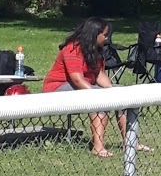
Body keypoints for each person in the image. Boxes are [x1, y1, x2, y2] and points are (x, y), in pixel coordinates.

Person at [42, 17, 152, 158]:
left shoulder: (97, 50)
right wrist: (101, 95)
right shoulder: (73, 49)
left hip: (83, 86)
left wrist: (114, 92)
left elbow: (99, 75)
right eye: (104, 35)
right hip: (57, 88)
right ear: (94, 34)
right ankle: (98, 147)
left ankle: (130, 143)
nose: (107, 38)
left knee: (124, 95)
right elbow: (77, 80)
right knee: (101, 101)